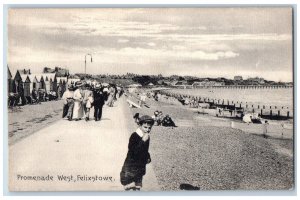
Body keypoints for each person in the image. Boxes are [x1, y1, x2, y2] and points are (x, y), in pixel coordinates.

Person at [120, 115, 154, 191]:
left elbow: (145, 149)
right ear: (140, 126)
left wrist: (148, 156)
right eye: (145, 127)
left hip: (140, 165)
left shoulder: (146, 136)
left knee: (138, 185)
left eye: (149, 128)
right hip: (132, 164)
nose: (147, 130)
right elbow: (133, 151)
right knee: (128, 184)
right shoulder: (134, 136)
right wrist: (142, 141)